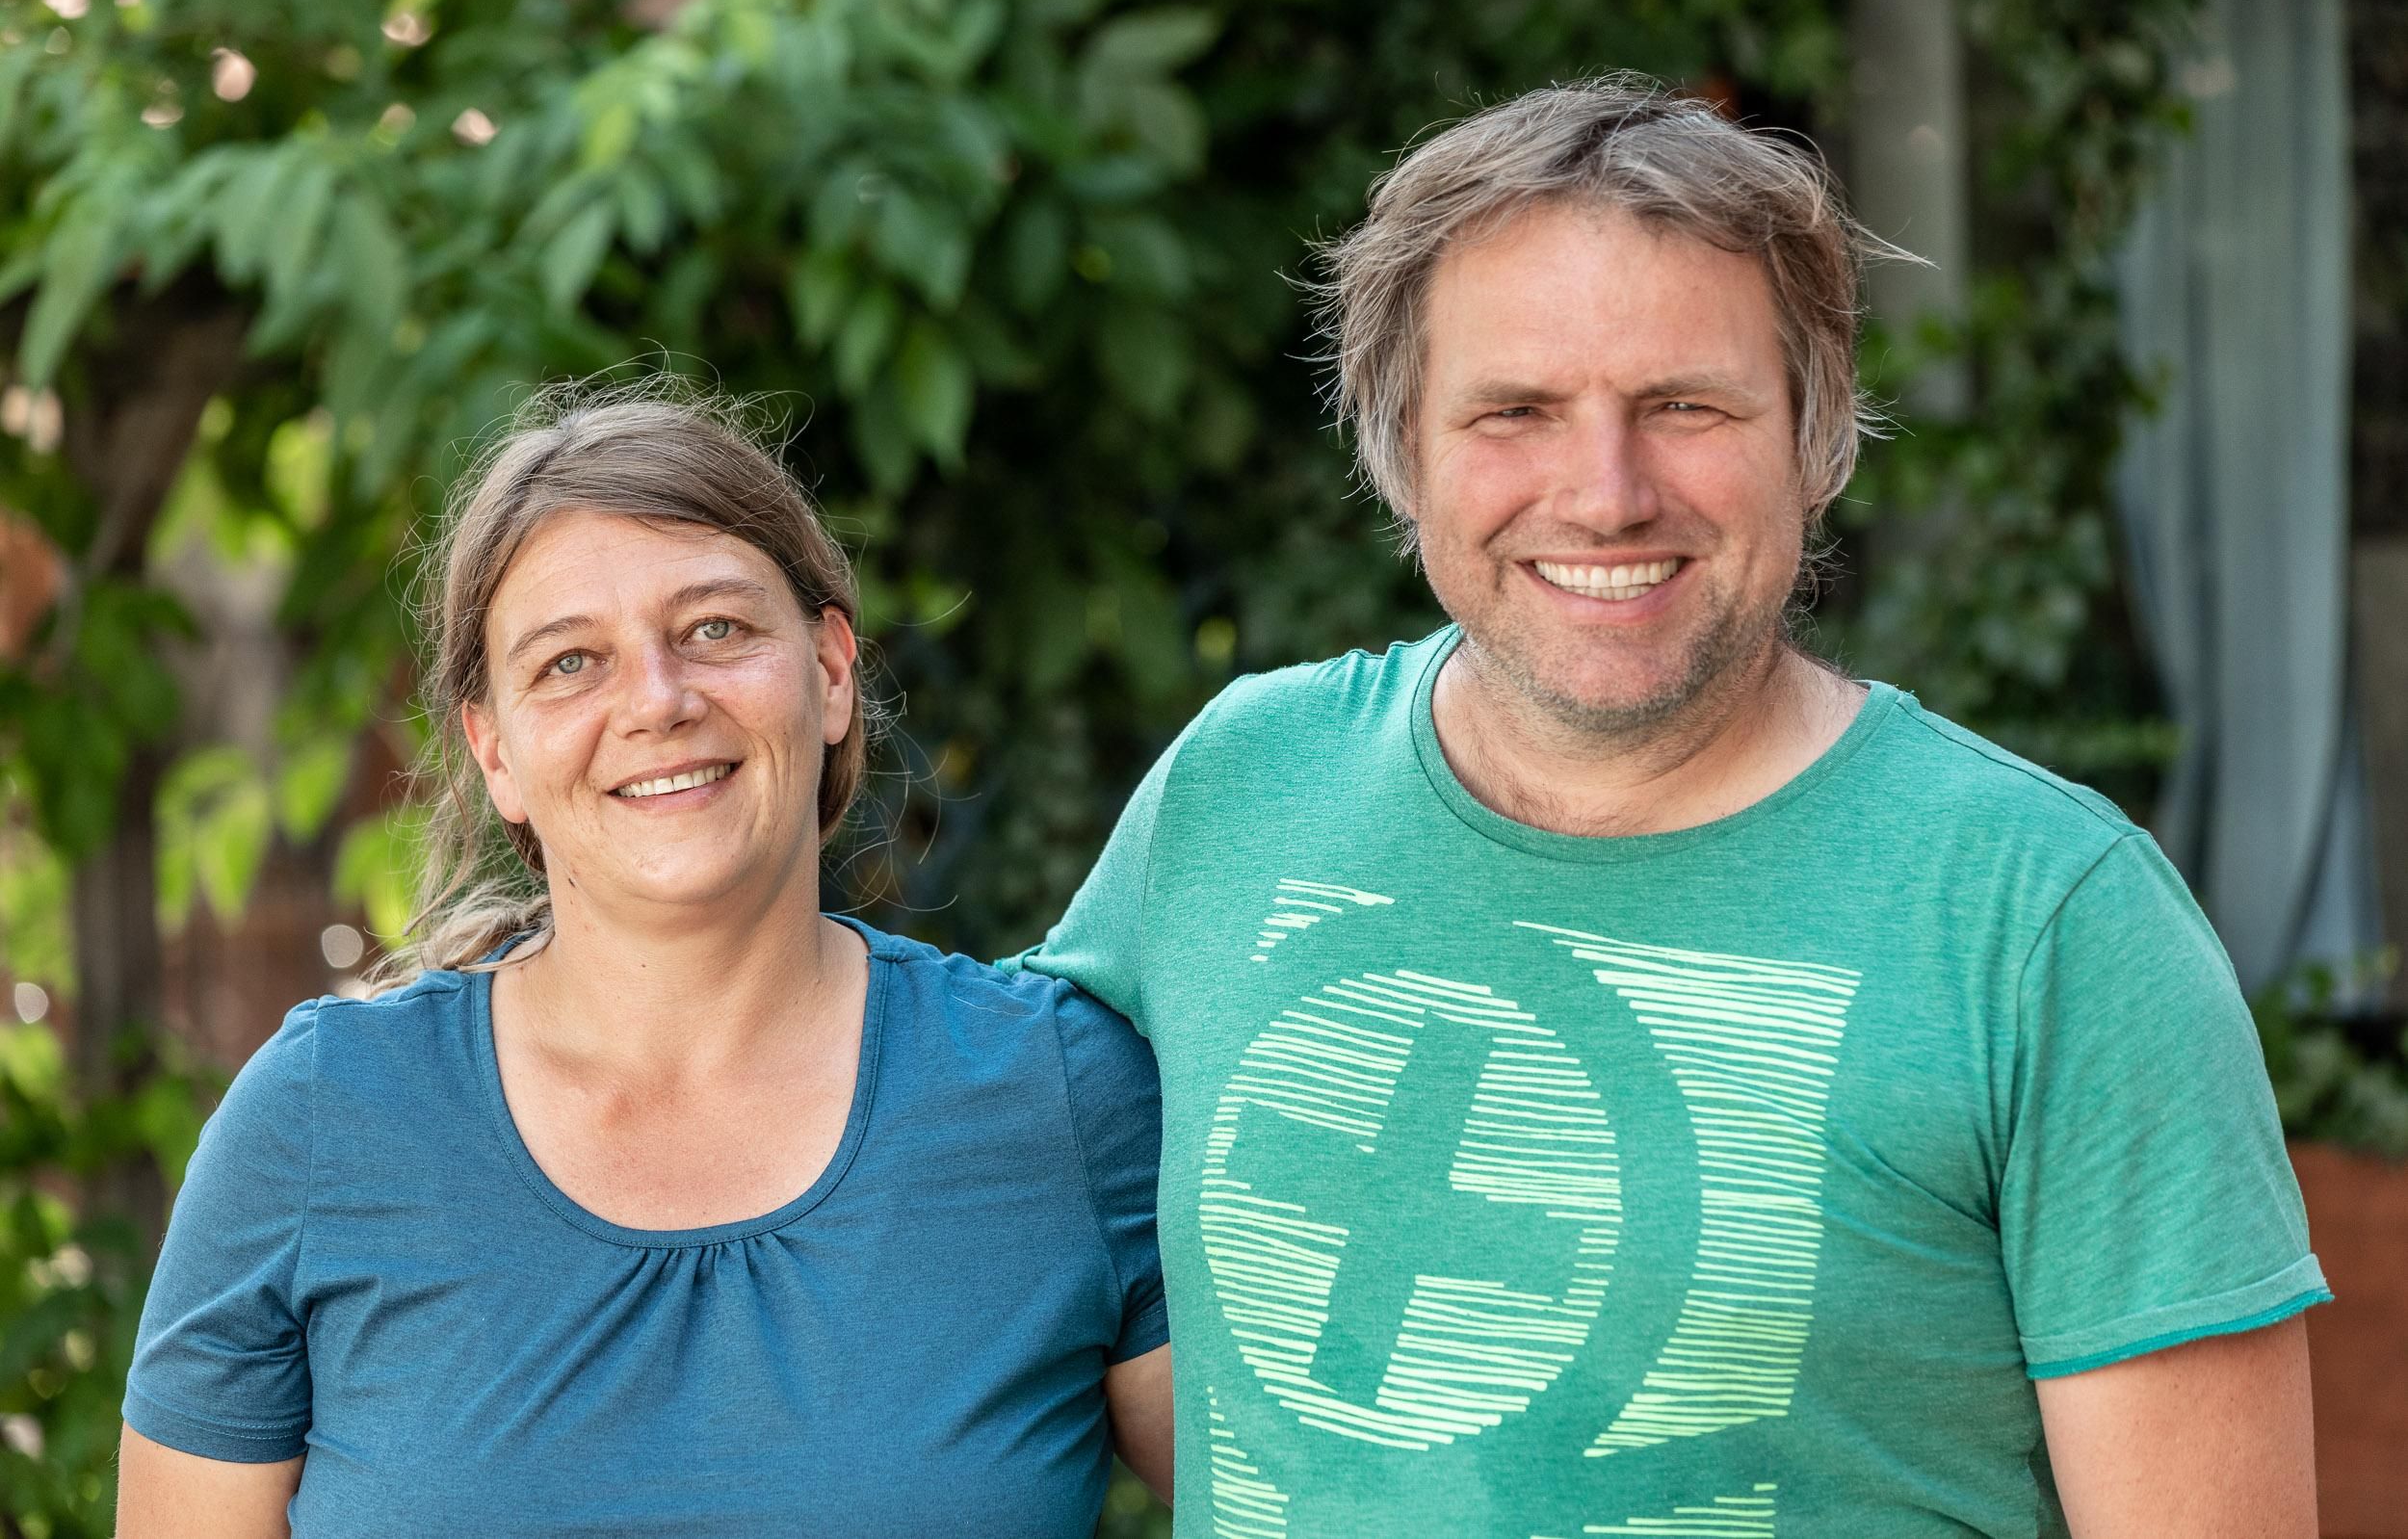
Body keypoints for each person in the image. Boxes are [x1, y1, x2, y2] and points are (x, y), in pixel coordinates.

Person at [1018, 75, 2325, 1536]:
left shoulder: (2048, 917)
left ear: (1817, 436)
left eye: (1684, 405)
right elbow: (1001, 1178)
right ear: (1400, 449)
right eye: (1515, 410)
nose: (1606, 493)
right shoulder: (1239, 787)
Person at [117, 385, 1174, 1537]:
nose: (658, 701)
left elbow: (1294, 1495)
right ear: (495, 752)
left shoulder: (1059, 1097)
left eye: (715, 628)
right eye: (570, 661)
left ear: (829, 671)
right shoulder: (322, 1120)